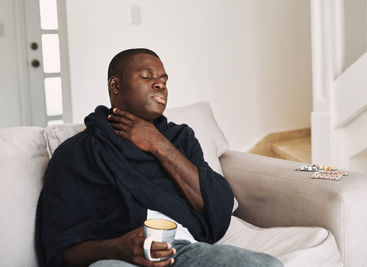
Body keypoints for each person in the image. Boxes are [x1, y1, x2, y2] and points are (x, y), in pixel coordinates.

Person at [35, 48, 283, 267]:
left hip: (184, 251)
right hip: (116, 259)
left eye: (163, 80)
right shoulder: (77, 153)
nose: (159, 84)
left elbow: (216, 204)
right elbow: (60, 250)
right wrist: (119, 247)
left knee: (267, 264)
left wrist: (159, 145)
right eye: (146, 77)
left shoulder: (179, 138)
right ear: (115, 85)